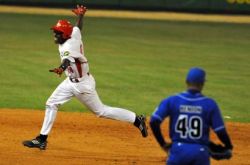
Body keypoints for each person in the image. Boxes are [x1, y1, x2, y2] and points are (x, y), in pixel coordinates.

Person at [23, 5, 148, 150]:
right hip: (70, 81)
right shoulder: (73, 33)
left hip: (82, 86)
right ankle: (42, 139)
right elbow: (78, 28)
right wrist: (81, 16)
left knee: (101, 111)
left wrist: (61, 68)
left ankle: (136, 119)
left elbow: (67, 60)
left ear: (65, 35)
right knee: (51, 103)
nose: (55, 34)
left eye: (57, 32)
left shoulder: (68, 47)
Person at [150, 67, 233, 165]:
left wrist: (162, 144)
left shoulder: (172, 100)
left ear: (186, 81)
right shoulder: (209, 104)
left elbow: (154, 121)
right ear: (202, 83)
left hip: (177, 152)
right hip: (200, 153)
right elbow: (220, 131)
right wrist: (228, 146)